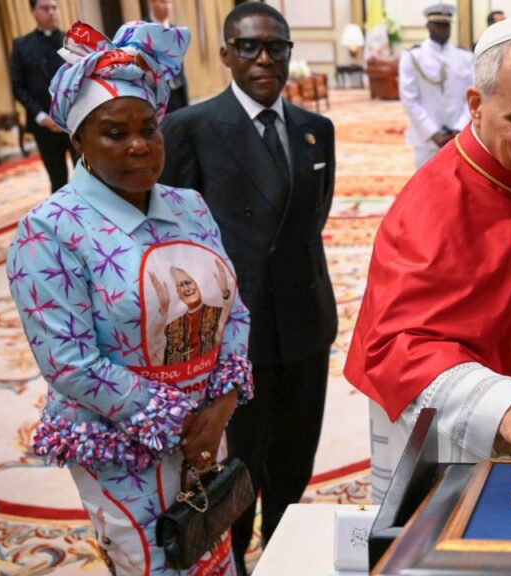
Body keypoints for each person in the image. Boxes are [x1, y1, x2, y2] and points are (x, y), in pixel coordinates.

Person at [7, 21, 252, 575]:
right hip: (119, 440)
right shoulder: (52, 229)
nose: (139, 145)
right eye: (115, 132)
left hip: (206, 425)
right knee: (153, 559)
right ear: (78, 141)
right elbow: (69, 363)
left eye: (149, 128)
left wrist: (220, 406)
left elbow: (232, 309)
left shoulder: (188, 205)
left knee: (210, 547)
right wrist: (179, 423)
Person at [345, 17, 511, 502]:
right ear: (475, 104)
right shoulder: (429, 204)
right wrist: (504, 405)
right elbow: (397, 346)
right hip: (475, 446)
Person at [158, 3, 337, 572]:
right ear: (226, 53)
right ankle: (234, 559)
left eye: (276, 47)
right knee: (240, 470)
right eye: (250, 46)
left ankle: (281, 553)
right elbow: (171, 241)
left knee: (294, 459)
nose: (265, 58)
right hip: (234, 339)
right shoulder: (191, 128)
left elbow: (313, 222)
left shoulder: (316, 131)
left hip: (306, 325)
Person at [10, 0, 78, 193]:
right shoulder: (21, 46)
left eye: (54, 7)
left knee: (86, 175)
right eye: (45, 8)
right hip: (44, 126)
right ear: (33, 11)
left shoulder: (71, 43)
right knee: (57, 181)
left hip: (74, 123)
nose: (51, 12)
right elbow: (18, 86)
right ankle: (62, 219)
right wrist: (41, 116)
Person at [399, 4, 473, 169]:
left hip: (459, 137)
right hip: (425, 140)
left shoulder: (465, 56)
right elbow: (409, 99)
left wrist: (458, 129)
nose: (443, 29)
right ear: (428, 25)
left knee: (459, 188)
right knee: (427, 189)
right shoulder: (412, 56)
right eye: (438, 24)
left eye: (446, 25)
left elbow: (472, 97)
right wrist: (433, 133)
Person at [155, 264, 233, 365]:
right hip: (178, 378)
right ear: (178, 293)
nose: (187, 289)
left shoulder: (219, 313)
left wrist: (225, 293)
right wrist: (163, 309)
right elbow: (154, 349)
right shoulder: (170, 327)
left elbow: (229, 315)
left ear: (197, 285)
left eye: (188, 282)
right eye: (181, 286)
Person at [146, 0, 189, 113]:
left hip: (177, 93)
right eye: (163, 2)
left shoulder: (176, 31)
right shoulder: (143, 30)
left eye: (169, 2)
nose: (167, 6)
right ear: (151, 3)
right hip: (156, 97)